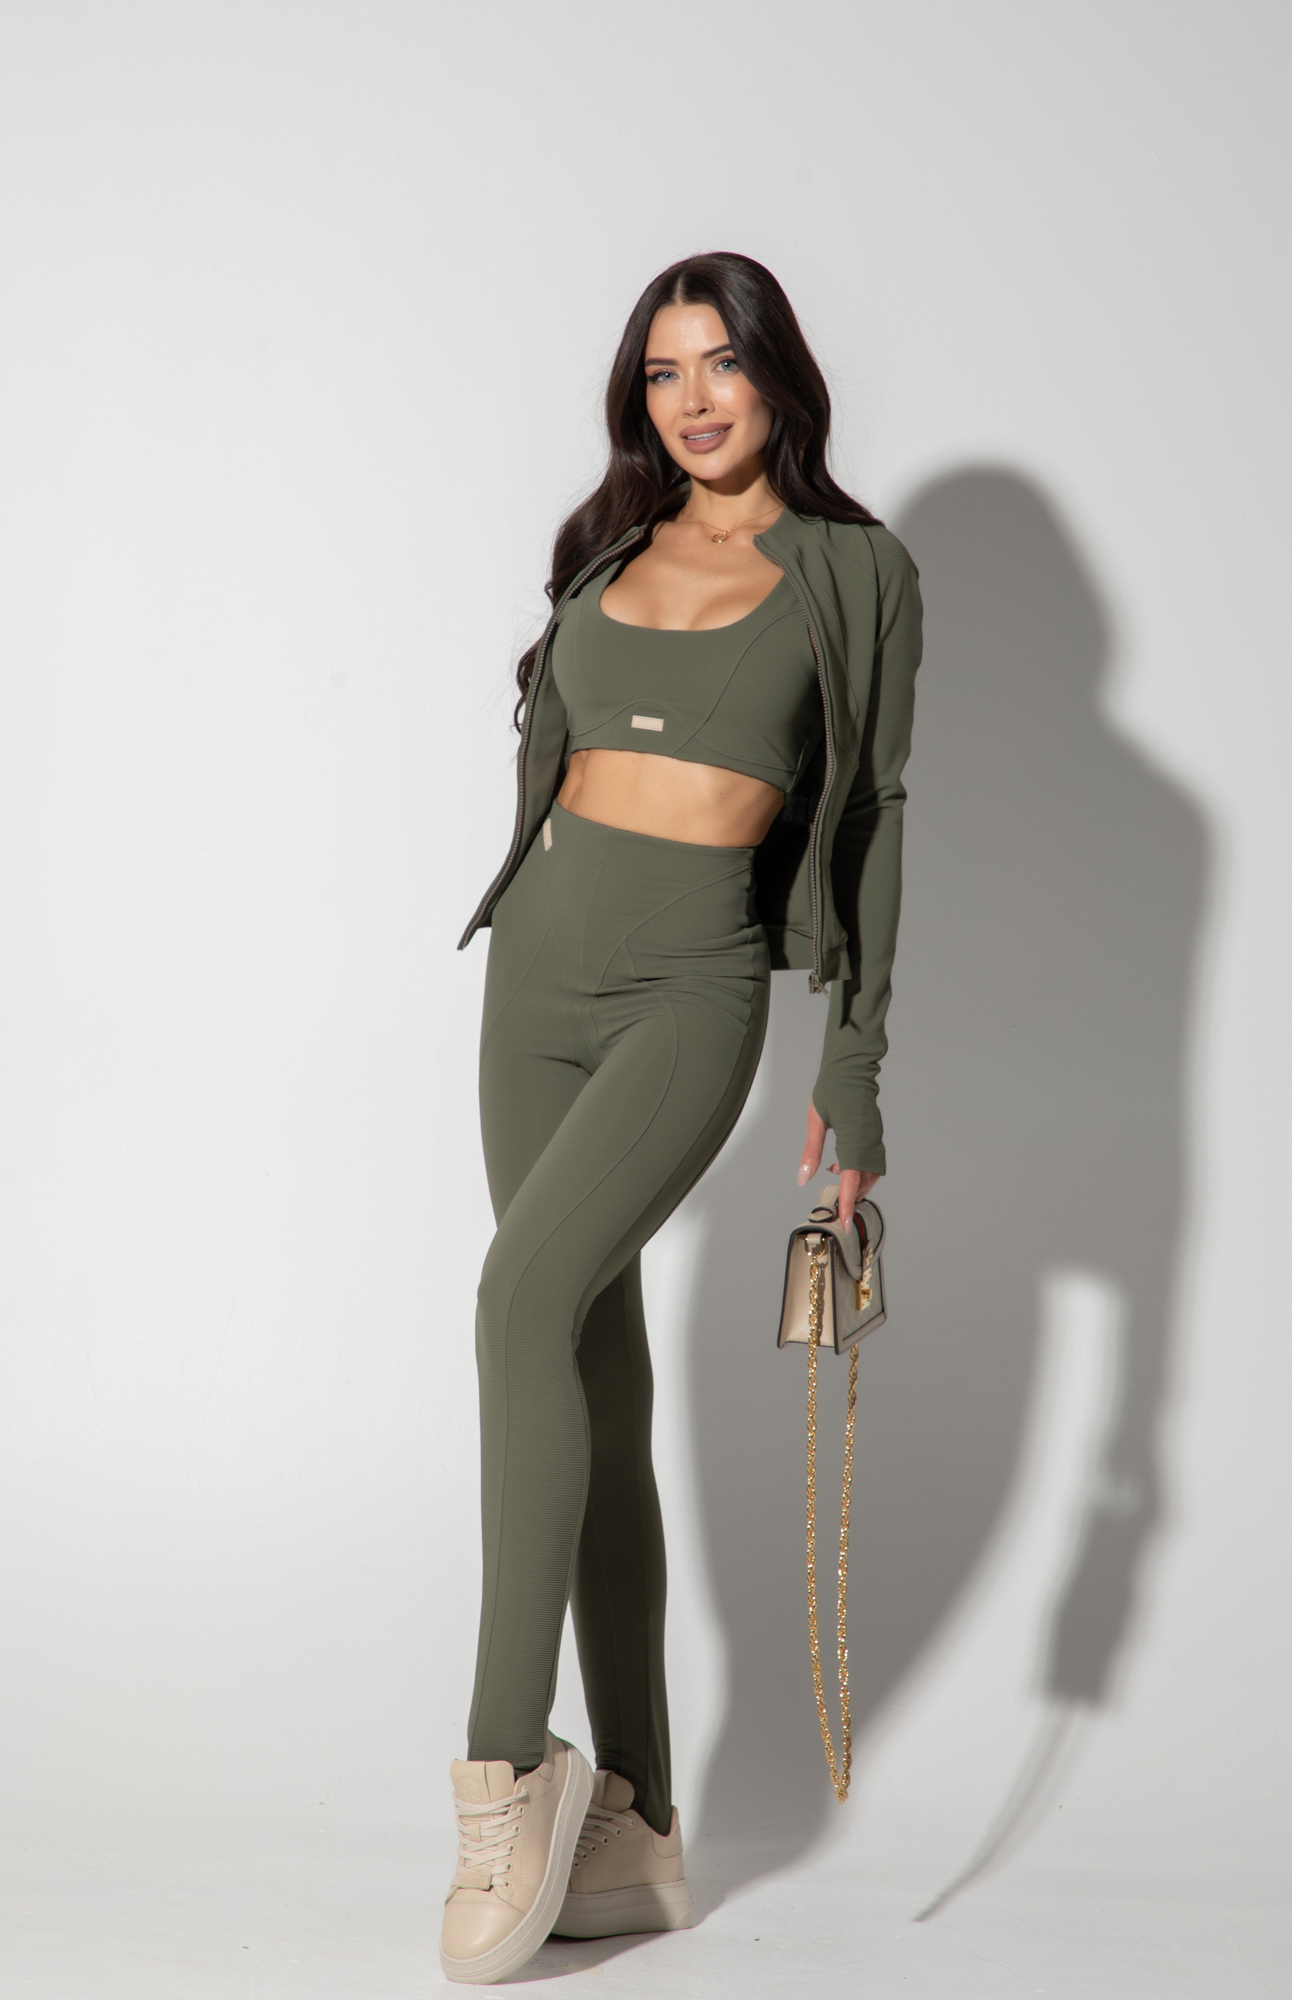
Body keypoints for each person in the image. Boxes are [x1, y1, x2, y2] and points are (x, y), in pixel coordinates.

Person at [439, 252, 922, 1985]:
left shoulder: (856, 572)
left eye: (721, 364)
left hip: (685, 989)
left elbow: (867, 821)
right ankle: (637, 1824)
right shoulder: (611, 545)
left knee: (513, 1301)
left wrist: (850, 1078)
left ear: (778, 376)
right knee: (589, 1364)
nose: (693, 399)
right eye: (662, 372)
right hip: (536, 981)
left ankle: (504, 1775)